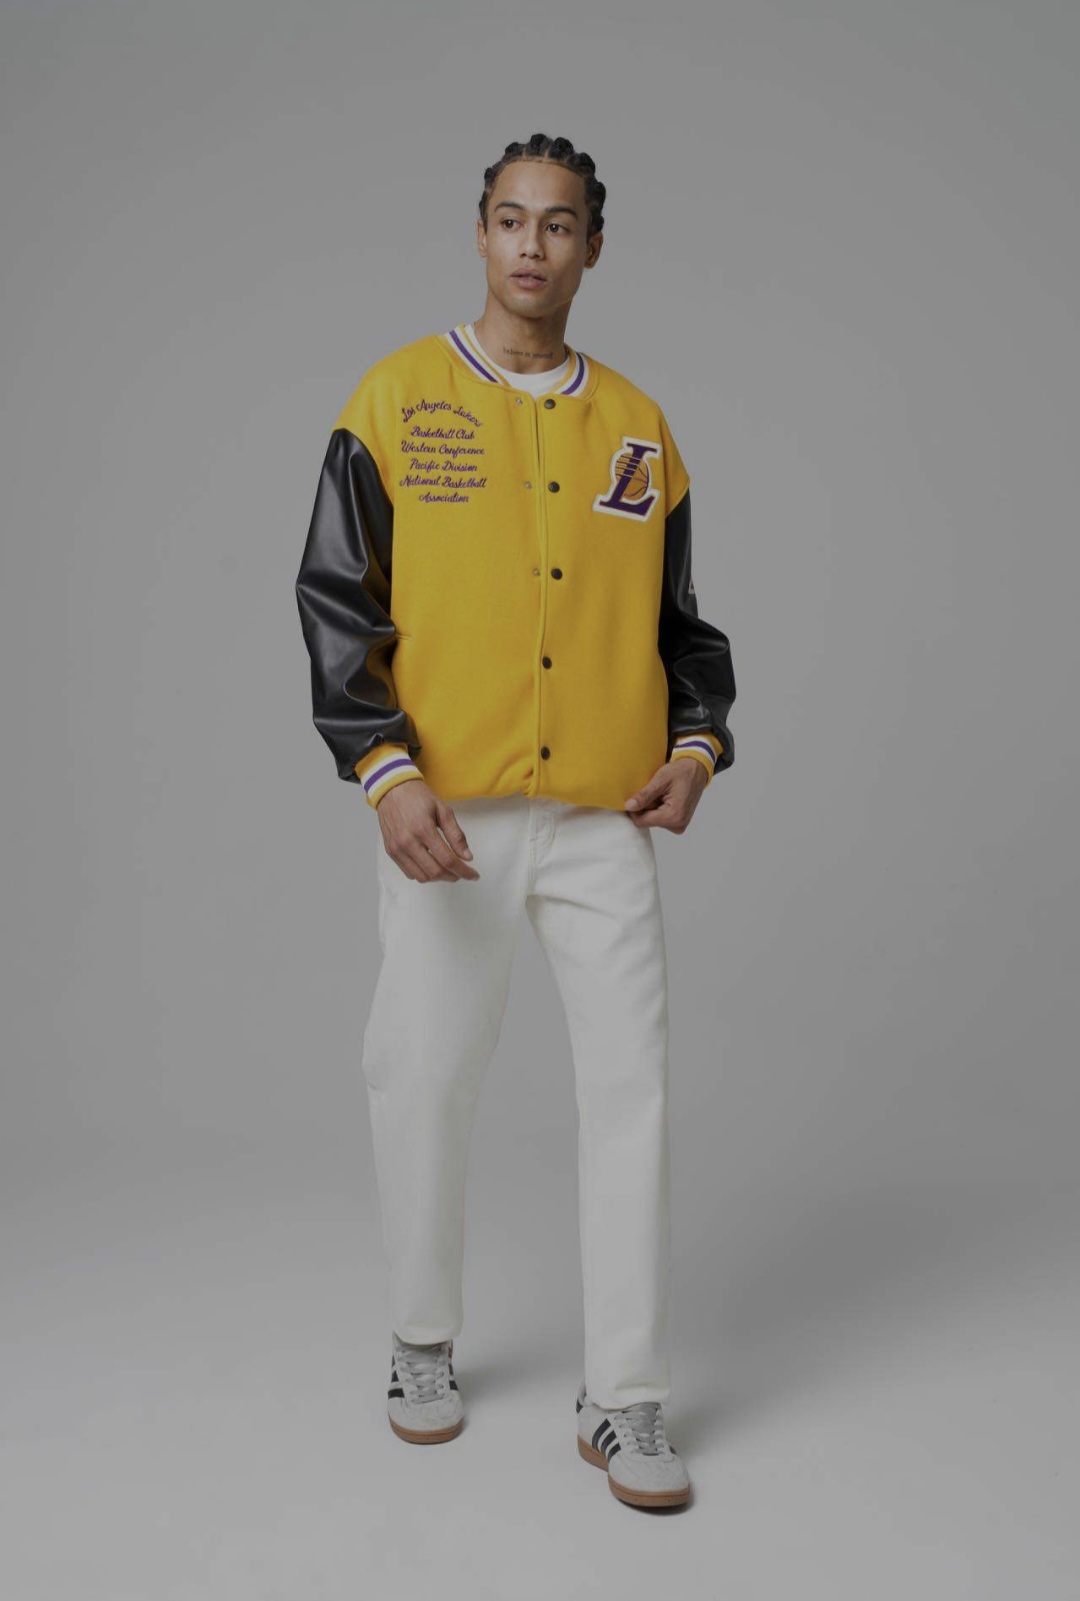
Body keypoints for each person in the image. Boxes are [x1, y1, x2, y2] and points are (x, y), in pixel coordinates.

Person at [295, 132, 735, 1510]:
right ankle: (420, 1337)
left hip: (604, 818)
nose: (531, 245)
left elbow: (680, 625)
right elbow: (337, 604)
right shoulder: (394, 399)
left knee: (632, 1094)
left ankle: (627, 1396)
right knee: (421, 1076)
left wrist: (698, 746)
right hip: (451, 819)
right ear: (479, 235)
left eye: (558, 224)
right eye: (508, 219)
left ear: (594, 247)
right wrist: (385, 772)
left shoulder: (640, 428)